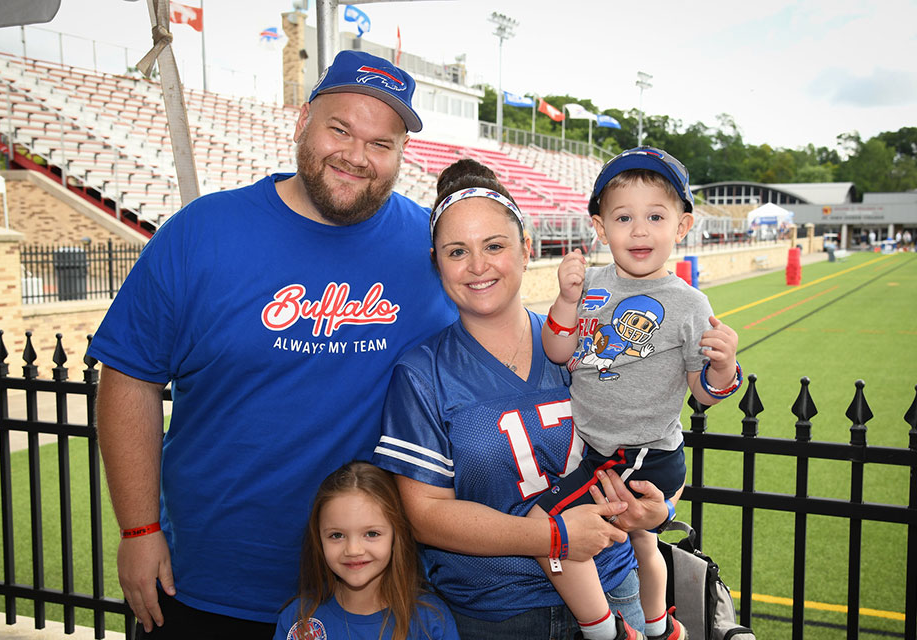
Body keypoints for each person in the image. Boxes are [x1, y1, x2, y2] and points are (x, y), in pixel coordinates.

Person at [89, 50, 457, 639]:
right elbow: (130, 376)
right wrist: (137, 529)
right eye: (341, 129)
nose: (357, 156)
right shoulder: (201, 232)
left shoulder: (433, 247)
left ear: (400, 155)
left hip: (367, 598)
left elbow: (498, 344)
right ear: (302, 122)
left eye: (381, 143)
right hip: (204, 584)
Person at [373, 158, 676, 640]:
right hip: (495, 614)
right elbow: (426, 515)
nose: (477, 266)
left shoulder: (585, 341)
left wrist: (659, 511)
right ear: (437, 263)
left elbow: (646, 436)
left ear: (526, 249)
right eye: (457, 252)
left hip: (616, 588)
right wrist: (552, 536)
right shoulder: (422, 373)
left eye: (494, 246)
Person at [529, 146, 741, 640]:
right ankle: (661, 628)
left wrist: (724, 365)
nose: (639, 230)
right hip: (601, 448)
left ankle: (606, 632)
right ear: (601, 229)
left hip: (640, 454)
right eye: (623, 217)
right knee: (645, 547)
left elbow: (703, 395)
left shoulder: (689, 302)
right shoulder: (590, 285)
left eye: (655, 216)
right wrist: (563, 299)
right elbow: (559, 350)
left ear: (682, 227)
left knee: (548, 529)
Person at [275, 461, 459, 640]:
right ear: (319, 539)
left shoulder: (431, 619)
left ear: (397, 535)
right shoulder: (299, 618)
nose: (353, 550)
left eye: (371, 533)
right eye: (337, 535)